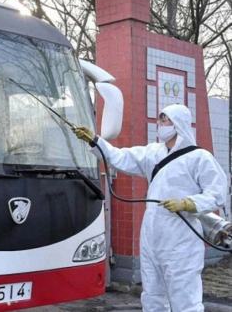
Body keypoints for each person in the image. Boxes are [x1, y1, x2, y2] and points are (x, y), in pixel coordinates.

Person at [73, 104, 228, 312]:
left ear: (178, 124)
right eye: (160, 120)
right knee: (152, 295)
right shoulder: (153, 152)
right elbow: (120, 157)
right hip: (152, 236)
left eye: (165, 120)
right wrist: (95, 140)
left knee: (185, 298)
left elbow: (218, 193)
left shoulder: (199, 157)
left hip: (181, 241)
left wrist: (188, 203)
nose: (160, 125)